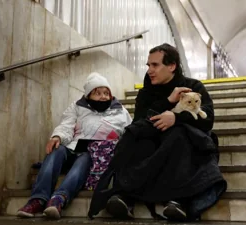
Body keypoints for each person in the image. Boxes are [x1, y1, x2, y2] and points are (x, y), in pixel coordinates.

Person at [88, 44, 227, 221]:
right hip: (153, 145)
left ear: (171, 66)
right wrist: (168, 101)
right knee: (134, 137)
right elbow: (140, 122)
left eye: (155, 65)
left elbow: (208, 120)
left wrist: (177, 118)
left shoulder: (192, 86)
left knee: (178, 135)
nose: (150, 70)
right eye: (148, 65)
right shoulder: (146, 93)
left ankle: (178, 200)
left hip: (181, 146)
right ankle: (124, 196)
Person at [16, 72, 132, 220]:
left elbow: (129, 133)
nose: (103, 97)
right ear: (88, 96)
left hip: (96, 153)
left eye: (106, 93)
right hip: (75, 145)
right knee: (56, 150)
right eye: (97, 93)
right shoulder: (77, 107)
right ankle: (37, 199)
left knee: (84, 158)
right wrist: (57, 136)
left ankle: (59, 199)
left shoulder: (120, 111)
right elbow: (66, 125)